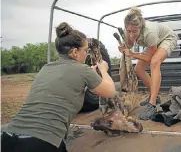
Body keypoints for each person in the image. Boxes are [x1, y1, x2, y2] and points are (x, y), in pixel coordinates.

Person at [1, 22, 116, 152]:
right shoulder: (82, 70)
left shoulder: (46, 68)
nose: (87, 54)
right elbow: (111, 92)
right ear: (75, 52)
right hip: (41, 142)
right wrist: (104, 71)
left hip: (8, 136)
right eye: (85, 50)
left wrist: (90, 75)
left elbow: (71, 90)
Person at [118, 7, 178, 120]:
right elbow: (129, 45)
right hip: (153, 43)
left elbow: (150, 59)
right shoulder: (129, 30)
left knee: (155, 62)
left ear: (140, 28)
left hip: (167, 38)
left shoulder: (149, 32)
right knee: (138, 69)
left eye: (134, 31)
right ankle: (156, 95)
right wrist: (124, 47)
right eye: (129, 31)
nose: (131, 34)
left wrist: (132, 54)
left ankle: (152, 104)